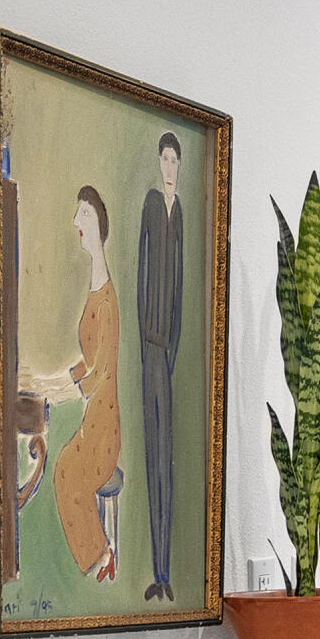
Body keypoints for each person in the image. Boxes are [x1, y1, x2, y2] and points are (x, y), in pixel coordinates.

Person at [19, 186, 124, 584]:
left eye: (83, 215)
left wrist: (55, 392)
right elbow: (86, 361)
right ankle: (101, 554)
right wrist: (44, 381)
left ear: (97, 223)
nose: (76, 223)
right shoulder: (96, 290)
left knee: (67, 471)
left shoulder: (108, 301)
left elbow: (98, 375)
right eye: (78, 214)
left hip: (104, 427)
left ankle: (102, 555)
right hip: (92, 419)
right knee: (64, 468)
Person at [137, 133, 186, 602]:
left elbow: (182, 287)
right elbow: (142, 271)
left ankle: (166, 572)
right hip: (148, 348)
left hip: (165, 354)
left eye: (175, 159)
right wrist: (148, 343)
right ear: (158, 162)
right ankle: (156, 571)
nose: (169, 166)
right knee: (152, 453)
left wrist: (171, 351)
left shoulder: (181, 212)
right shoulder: (153, 205)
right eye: (165, 157)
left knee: (166, 461)